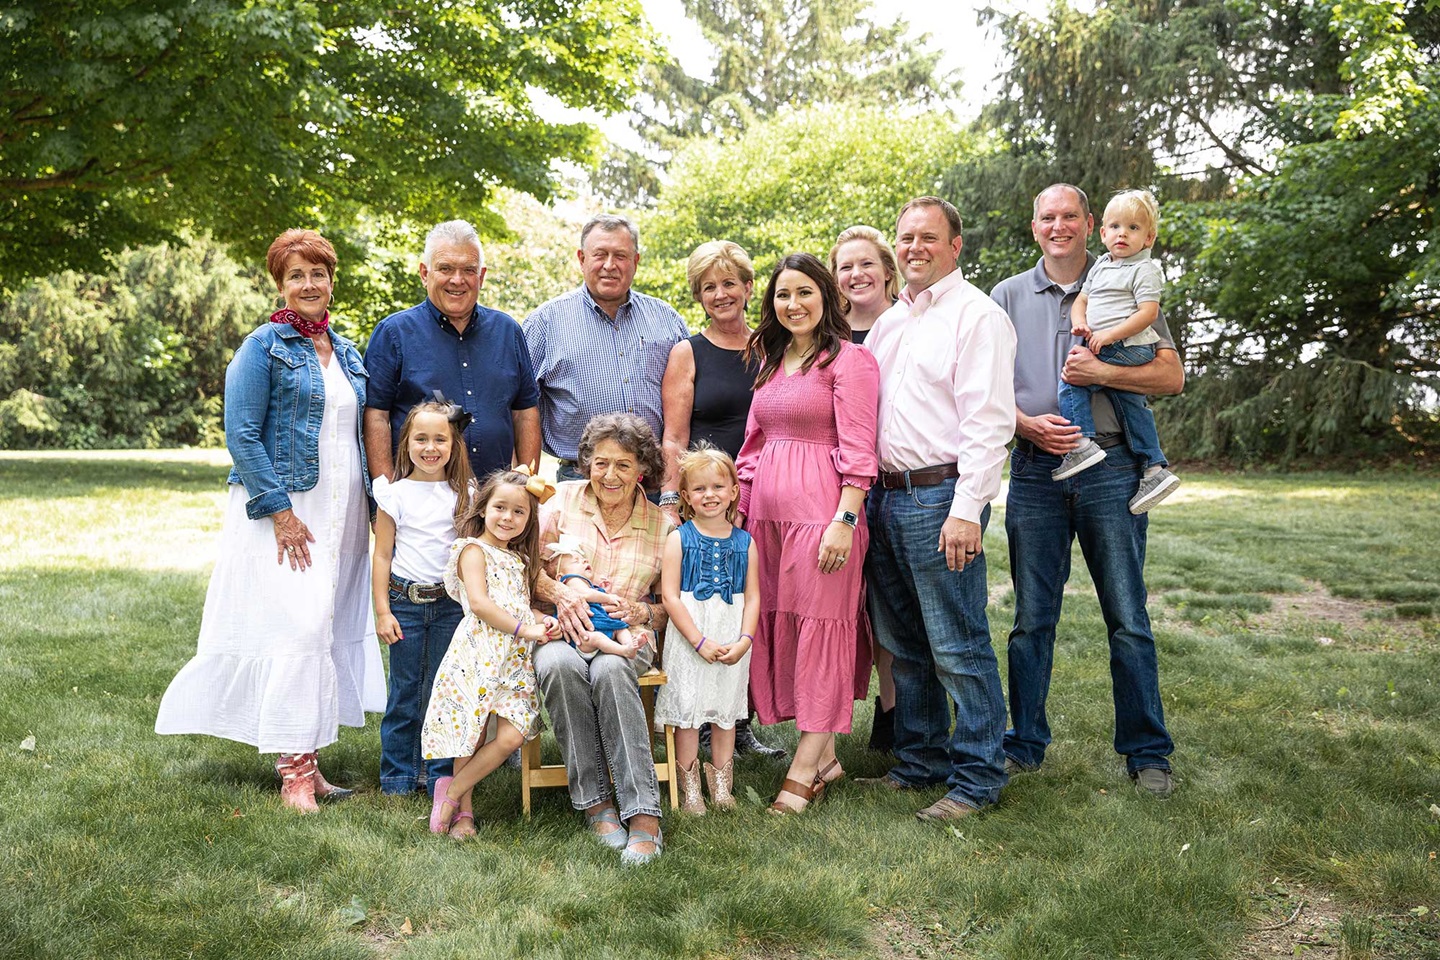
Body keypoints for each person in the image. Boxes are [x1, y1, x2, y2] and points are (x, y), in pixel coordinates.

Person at [156, 228, 384, 813]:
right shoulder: (262, 347)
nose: (309, 285)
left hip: (342, 510)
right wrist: (279, 510)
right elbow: (241, 434)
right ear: (280, 286)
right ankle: (293, 775)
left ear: (332, 280)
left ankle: (309, 756)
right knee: (298, 628)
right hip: (287, 507)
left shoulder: (347, 350)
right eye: (296, 276)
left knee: (324, 627)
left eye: (318, 274)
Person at [990, 183, 1183, 798]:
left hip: (1113, 469)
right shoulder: (1007, 297)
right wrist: (1024, 423)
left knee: (1126, 616)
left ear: (1090, 223)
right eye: (1047, 216)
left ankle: (1147, 753)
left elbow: (1171, 375)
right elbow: (981, 390)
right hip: (1036, 470)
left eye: (1069, 215)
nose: (1058, 226)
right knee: (1031, 618)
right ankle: (1024, 743)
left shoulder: (1125, 281)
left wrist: (1101, 371)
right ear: (1034, 225)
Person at [860, 197, 1016, 823]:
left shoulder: (977, 317)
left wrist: (966, 509)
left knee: (958, 643)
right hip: (885, 497)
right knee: (905, 643)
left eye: (928, 237)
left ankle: (978, 776)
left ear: (956, 246)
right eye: (905, 238)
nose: (914, 248)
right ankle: (920, 761)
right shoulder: (892, 323)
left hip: (939, 499)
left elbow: (988, 422)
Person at [736, 252, 880, 815]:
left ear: (826, 296)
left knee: (824, 630)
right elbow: (751, 450)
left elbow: (860, 449)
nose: (792, 304)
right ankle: (827, 758)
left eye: (804, 293)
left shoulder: (851, 361)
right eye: (781, 295)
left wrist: (845, 520)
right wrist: (741, 520)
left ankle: (803, 771)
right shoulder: (771, 362)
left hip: (824, 516)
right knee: (787, 629)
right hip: (768, 523)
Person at [658, 239, 786, 760]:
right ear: (699, 295)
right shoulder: (688, 352)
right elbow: (673, 435)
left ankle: (739, 720)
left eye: (729, 282)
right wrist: (672, 501)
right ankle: (699, 722)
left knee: (749, 605)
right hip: (708, 499)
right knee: (705, 602)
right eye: (708, 287)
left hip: (766, 492)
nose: (720, 294)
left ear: (749, 286)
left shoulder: (773, 347)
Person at [532, 414, 672, 865]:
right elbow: (520, 565)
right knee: (557, 665)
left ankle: (644, 815)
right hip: (562, 626)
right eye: (601, 463)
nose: (610, 475)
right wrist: (557, 592)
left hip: (628, 636)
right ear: (587, 462)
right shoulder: (559, 502)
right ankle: (595, 802)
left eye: (624, 466)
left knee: (611, 668)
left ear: (642, 471)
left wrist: (640, 611)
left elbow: (671, 606)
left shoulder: (662, 526)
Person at [422, 468, 561, 837]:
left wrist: (541, 621)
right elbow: (481, 604)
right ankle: (464, 815)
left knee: (513, 734)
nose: (508, 518)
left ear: (529, 520)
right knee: (474, 731)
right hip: (479, 653)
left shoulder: (518, 559)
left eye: (519, 512)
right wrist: (524, 628)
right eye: (500, 507)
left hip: (513, 660)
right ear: (483, 508)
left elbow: (517, 606)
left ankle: (449, 790)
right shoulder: (472, 550)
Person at [364, 219, 540, 484]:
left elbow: (525, 412)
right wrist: (385, 500)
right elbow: (376, 418)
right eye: (445, 268)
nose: (457, 280)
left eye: (468, 270)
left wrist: (527, 487)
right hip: (420, 506)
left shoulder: (508, 331)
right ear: (425, 273)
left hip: (494, 505)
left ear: (481, 276)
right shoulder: (393, 333)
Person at [524, 214, 688, 483]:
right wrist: (525, 481)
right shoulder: (545, 323)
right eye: (600, 254)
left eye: (620, 256)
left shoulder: (668, 321)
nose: (609, 265)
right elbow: (521, 409)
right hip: (580, 479)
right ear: (581, 259)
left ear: (635, 262)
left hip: (655, 481)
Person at [370, 400, 476, 797]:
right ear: (406, 442)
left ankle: (439, 777)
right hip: (405, 603)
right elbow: (382, 554)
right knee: (405, 692)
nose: (430, 448)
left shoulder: (464, 492)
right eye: (421, 439)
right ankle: (398, 776)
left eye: (440, 439)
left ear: (453, 445)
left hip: (450, 605)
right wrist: (383, 609)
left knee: (443, 690)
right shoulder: (393, 494)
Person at [1052, 189, 1180, 513]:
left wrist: (1107, 336)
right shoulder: (1103, 266)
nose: (1123, 233)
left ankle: (1082, 442)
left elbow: (1147, 314)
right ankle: (1154, 468)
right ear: (1103, 232)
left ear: (1149, 237)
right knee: (1129, 401)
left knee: (1072, 380)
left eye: (1134, 228)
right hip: (1107, 341)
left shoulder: (1143, 269)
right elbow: (1082, 301)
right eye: (1116, 226)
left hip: (1129, 346)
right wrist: (1082, 326)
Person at [655, 446, 759, 815]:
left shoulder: (746, 543)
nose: (709, 495)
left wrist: (745, 640)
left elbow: (753, 597)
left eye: (718, 486)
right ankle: (691, 790)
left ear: (734, 490)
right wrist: (697, 641)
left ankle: (722, 787)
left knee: (724, 711)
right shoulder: (679, 539)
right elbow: (670, 596)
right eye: (699, 489)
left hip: (731, 634)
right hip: (691, 635)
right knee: (688, 710)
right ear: (685, 496)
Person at [829, 225, 901, 751]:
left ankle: (896, 713)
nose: (856, 275)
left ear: (887, 271)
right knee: (856, 607)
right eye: (845, 267)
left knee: (896, 607)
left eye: (866, 264)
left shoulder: (907, 326)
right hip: (839, 489)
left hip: (899, 484)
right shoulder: (827, 341)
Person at [545, 535, 649, 659]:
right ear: (560, 577)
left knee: (619, 628)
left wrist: (601, 586)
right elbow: (587, 594)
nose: (584, 561)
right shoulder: (570, 581)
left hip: (601, 625)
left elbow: (592, 594)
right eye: (576, 561)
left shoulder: (586, 585)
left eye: (584, 559)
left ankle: (630, 645)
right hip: (584, 634)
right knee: (599, 638)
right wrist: (609, 597)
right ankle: (624, 650)